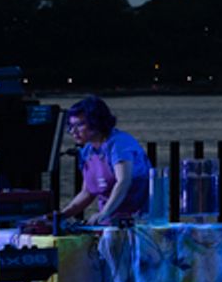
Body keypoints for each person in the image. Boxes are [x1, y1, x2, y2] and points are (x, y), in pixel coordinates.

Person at [52, 96, 151, 226]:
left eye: (79, 125)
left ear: (96, 122)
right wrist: (61, 216)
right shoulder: (88, 151)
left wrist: (104, 213)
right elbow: (87, 192)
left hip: (137, 223)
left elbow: (124, 181)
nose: (73, 131)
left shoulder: (119, 143)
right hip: (108, 223)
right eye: (70, 126)